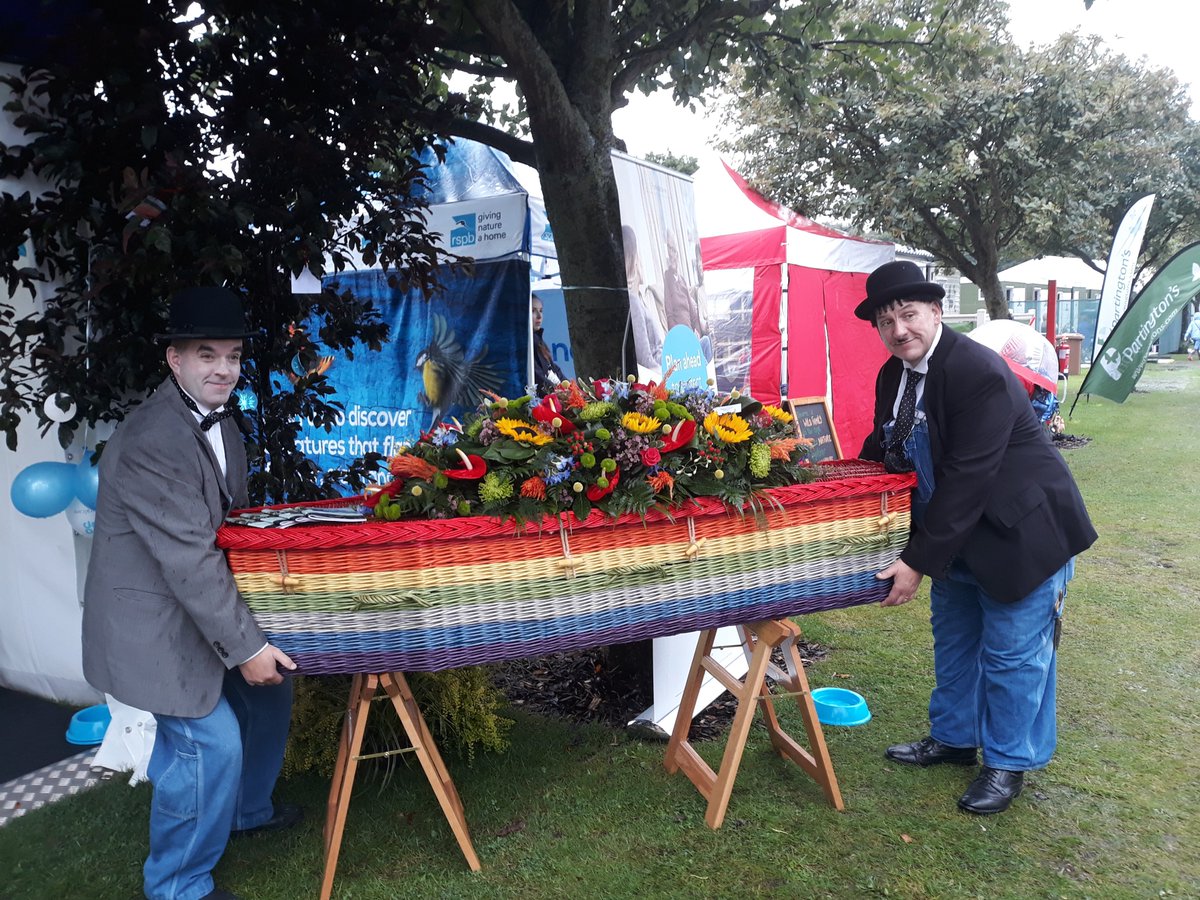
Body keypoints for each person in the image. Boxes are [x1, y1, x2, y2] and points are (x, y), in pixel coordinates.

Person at [855, 261, 1097, 816]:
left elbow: (968, 476)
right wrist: (833, 484)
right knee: (957, 641)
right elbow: (885, 446)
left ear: (936, 312)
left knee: (1014, 656)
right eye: (886, 321)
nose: (899, 331)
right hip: (954, 536)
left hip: (1021, 534)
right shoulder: (893, 374)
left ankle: (1009, 762)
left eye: (909, 315)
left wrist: (915, 561)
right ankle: (955, 739)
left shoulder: (976, 371)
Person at [82, 286, 300, 900]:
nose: (224, 370)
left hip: (199, 608)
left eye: (232, 356)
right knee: (210, 746)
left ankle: (245, 813)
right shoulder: (155, 436)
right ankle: (177, 884)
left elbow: (230, 529)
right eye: (208, 355)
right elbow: (190, 560)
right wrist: (247, 645)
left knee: (271, 697)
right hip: (153, 628)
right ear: (174, 360)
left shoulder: (223, 424)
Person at [532, 293, 566, 394]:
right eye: (533, 311)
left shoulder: (539, 340)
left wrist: (572, 389)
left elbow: (554, 369)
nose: (539, 316)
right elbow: (538, 376)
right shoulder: (526, 344)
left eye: (541, 311)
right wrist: (561, 393)